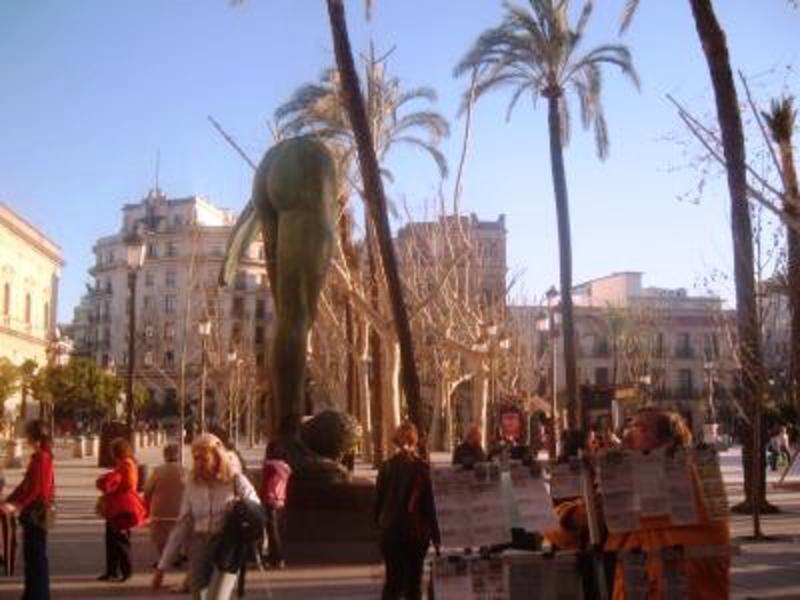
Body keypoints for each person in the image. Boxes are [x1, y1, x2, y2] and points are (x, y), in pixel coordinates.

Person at [606, 408, 730, 599]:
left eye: (640, 429)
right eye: (629, 428)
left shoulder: (697, 476)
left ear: (668, 441)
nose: (628, 437)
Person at [152, 433, 260, 600]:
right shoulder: (192, 484)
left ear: (217, 457)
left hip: (227, 546)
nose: (199, 463)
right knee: (199, 597)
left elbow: (256, 508)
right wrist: (162, 567)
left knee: (216, 598)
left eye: (204, 458)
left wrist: (240, 505)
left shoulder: (236, 480)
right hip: (200, 545)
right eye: (196, 458)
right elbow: (182, 525)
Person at [375, 422, 440, 600]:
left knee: (393, 583)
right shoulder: (422, 469)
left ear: (396, 441)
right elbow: (429, 506)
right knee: (414, 583)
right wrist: (436, 537)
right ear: (415, 440)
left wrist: (378, 527)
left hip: (390, 532)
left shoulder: (386, 467)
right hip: (415, 534)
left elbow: (378, 503)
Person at [1, 420, 55, 600]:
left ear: (34, 437)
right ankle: (32, 593)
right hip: (36, 511)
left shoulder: (41, 458)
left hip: (36, 513)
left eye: (28, 435)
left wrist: (17, 505)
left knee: (36, 557)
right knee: (32, 557)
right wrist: (9, 500)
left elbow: (35, 489)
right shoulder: (42, 456)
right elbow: (26, 484)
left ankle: (38, 595)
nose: (26, 438)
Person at [96, 437, 148, 582]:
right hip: (119, 506)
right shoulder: (129, 463)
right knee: (113, 539)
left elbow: (121, 482)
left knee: (119, 539)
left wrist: (106, 482)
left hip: (121, 507)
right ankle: (113, 570)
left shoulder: (125, 465)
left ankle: (125, 570)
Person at [143, 443, 185, 556]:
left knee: (160, 538)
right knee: (178, 534)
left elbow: (147, 490)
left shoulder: (158, 471)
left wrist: (146, 502)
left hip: (160, 510)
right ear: (178, 455)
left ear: (165, 455)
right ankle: (177, 555)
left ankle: (163, 558)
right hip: (179, 510)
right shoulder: (184, 471)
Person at [260, 440, 292, 569]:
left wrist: (260, 497)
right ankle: (276, 558)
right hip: (280, 500)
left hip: (269, 499)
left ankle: (276, 558)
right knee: (275, 531)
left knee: (271, 531)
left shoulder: (269, 466)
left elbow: (265, 484)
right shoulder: (285, 467)